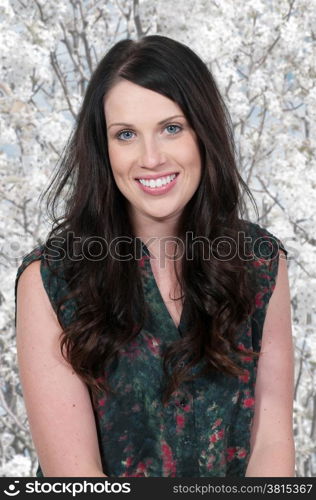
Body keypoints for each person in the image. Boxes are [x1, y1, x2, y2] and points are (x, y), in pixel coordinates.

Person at [14, 34, 295, 477]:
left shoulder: (260, 262)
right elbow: (76, 479)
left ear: (204, 132)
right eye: (125, 135)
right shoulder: (51, 280)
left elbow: (271, 446)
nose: (150, 158)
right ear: (104, 150)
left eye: (171, 128)